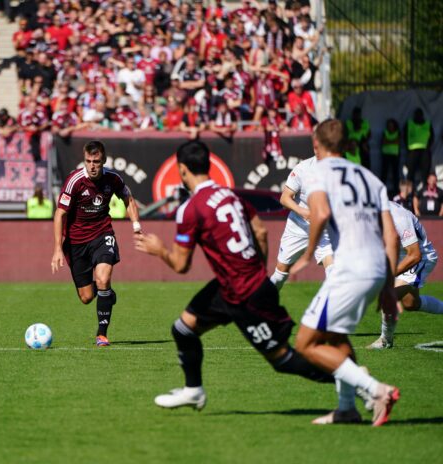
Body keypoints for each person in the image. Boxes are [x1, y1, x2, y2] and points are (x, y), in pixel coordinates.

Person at [134, 140, 333, 411]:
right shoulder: (231, 196)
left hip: (243, 293)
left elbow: (181, 266)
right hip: (232, 285)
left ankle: (353, 380)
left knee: (282, 359)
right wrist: (258, 270)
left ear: (182, 170)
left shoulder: (191, 208)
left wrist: (159, 250)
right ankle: (193, 390)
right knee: (183, 329)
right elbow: (260, 232)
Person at [292, 119, 400, 426]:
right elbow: (390, 237)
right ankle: (346, 409)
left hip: (350, 267)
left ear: (316, 145)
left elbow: (321, 213)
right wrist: (389, 287)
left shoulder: (318, 172)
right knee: (337, 337)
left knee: (306, 344)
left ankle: (377, 389)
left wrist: (309, 253)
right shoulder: (369, 177)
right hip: (377, 267)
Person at [51, 141, 141, 347]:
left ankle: (102, 334)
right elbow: (60, 213)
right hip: (76, 242)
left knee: (103, 278)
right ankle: (107, 295)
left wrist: (136, 226)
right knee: (86, 297)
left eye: (96, 161)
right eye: (88, 161)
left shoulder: (113, 179)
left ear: (104, 161)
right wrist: (57, 248)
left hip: (102, 234)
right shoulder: (75, 181)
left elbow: (128, 198)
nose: (92, 165)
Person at [368, 201, 442, 349]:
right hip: (404, 256)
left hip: (421, 258)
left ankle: (385, 341)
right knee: (411, 304)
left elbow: (415, 255)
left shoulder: (399, 218)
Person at [269, 156, 334, 290]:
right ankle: (261, 303)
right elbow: (284, 198)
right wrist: (303, 212)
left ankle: (330, 308)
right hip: (298, 227)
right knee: (280, 273)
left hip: (324, 228)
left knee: (333, 270)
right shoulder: (303, 168)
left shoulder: (340, 170)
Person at [404, 108, 433, 187]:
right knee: (410, 174)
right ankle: (410, 193)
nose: (418, 116)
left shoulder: (427, 124)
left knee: (425, 174)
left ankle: (425, 192)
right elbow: (405, 136)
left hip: (424, 151)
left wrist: (427, 147)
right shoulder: (409, 123)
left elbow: (432, 137)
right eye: (417, 114)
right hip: (412, 151)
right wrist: (408, 147)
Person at [380, 118, 400, 197]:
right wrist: (392, 141)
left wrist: (388, 141)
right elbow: (384, 141)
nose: (390, 127)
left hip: (394, 155)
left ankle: (396, 190)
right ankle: (382, 189)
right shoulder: (385, 132)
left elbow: (397, 142)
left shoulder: (398, 132)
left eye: (391, 125)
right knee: (384, 173)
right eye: (389, 125)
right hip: (386, 154)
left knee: (395, 173)